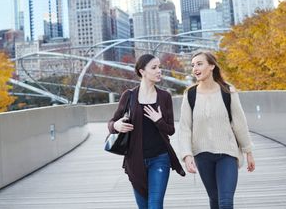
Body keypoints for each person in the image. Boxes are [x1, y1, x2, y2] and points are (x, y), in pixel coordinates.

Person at [178, 52, 255, 209]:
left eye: (199, 64)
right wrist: (186, 155)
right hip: (202, 155)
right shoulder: (190, 95)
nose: (195, 68)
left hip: (227, 153)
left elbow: (239, 123)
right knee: (214, 199)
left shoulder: (227, 91)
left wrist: (248, 152)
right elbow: (185, 128)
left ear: (211, 66)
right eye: (193, 65)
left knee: (225, 201)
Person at [108, 54, 185, 209]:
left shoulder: (164, 96)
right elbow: (111, 123)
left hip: (160, 158)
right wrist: (116, 125)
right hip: (135, 161)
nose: (159, 71)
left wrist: (158, 120)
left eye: (159, 67)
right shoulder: (128, 96)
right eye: (154, 68)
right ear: (142, 71)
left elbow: (170, 130)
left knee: (155, 205)